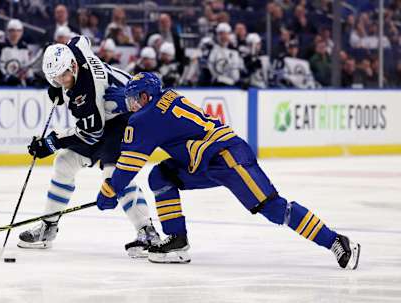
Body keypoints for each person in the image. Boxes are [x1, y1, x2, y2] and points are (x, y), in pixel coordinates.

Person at [96, 72, 361, 269]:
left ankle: (336, 240)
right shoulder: (165, 96)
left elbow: (128, 166)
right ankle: (177, 241)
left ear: (145, 97)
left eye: (133, 100)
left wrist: (109, 193)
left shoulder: (145, 119)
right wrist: (117, 97)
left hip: (228, 158)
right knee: (161, 175)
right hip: (205, 161)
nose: (130, 106)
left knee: (273, 208)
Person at [18, 36, 160, 258]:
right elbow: (81, 39)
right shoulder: (75, 49)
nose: (62, 80)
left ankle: (147, 231)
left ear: (73, 66)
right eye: (55, 78)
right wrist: (59, 87)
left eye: (64, 75)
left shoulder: (87, 94)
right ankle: (49, 226)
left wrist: (51, 142)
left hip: (128, 118)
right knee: (64, 162)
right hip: (110, 115)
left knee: (114, 177)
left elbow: (91, 134)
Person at [0, 19, 33, 86]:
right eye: (12, 31)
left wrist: (31, 78)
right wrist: (8, 78)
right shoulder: (0, 46)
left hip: (19, 83)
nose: (15, 34)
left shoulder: (24, 47)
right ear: (7, 31)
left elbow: (27, 66)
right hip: (2, 84)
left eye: (18, 31)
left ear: (22, 32)